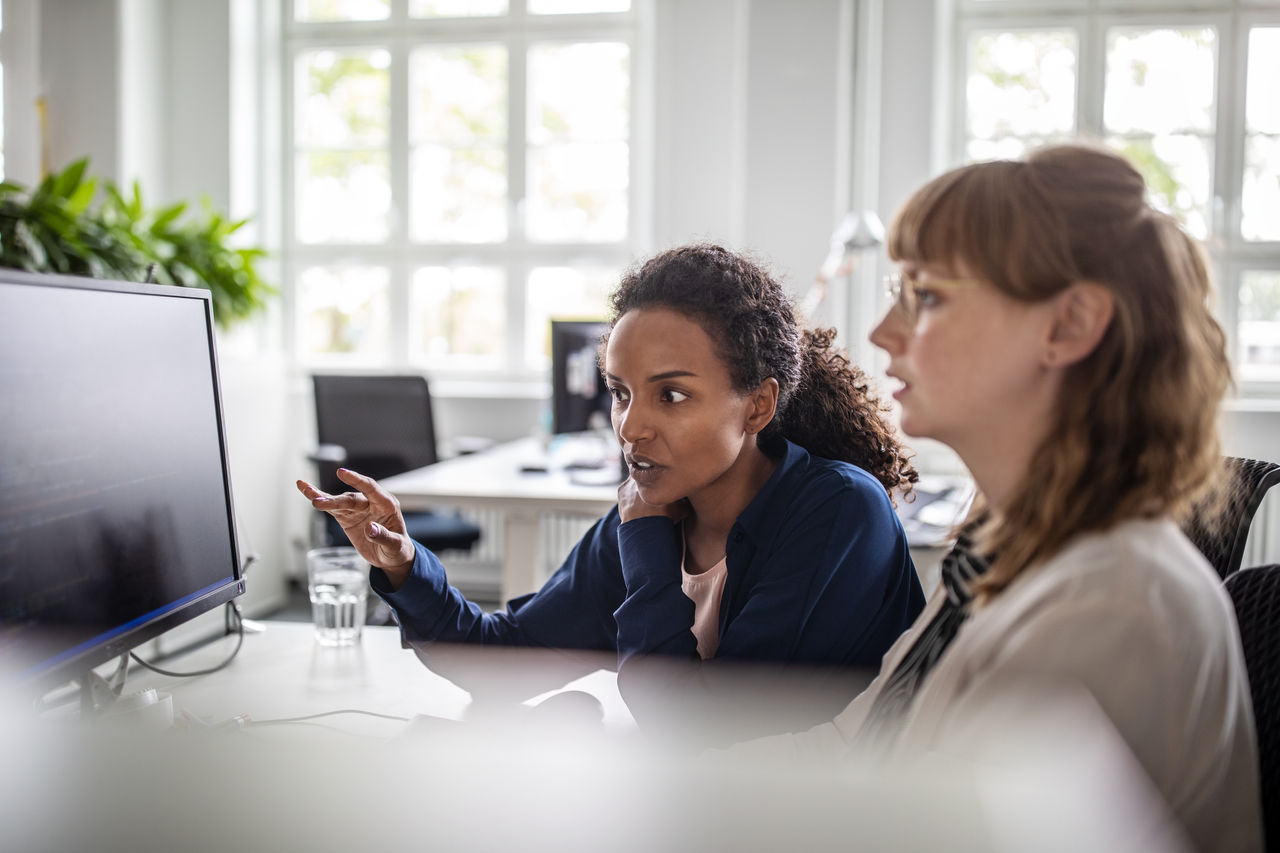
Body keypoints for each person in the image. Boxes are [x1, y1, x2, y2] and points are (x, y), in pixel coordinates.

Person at [717, 144, 1262, 851]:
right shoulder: (1000, 555)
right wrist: (665, 777)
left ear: (1068, 326)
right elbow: (856, 747)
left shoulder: (1114, 603)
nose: (883, 335)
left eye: (930, 295)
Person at [297, 243, 926, 732]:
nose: (630, 426)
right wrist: (405, 566)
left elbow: (701, 725)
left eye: (671, 395)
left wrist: (649, 547)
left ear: (758, 406)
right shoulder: (646, 518)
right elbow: (501, 662)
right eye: (621, 394)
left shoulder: (838, 510)